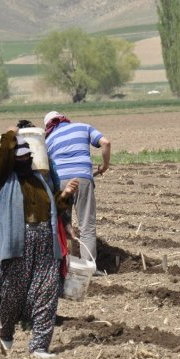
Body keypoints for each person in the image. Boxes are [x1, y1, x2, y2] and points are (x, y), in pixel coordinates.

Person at [0, 129, 79, 358]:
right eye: (20, 157)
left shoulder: (41, 180)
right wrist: (10, 135)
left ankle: (39, 346)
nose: (25, 160)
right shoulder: (4, 179)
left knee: (47, 290)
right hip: (19, 242)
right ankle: (6, 334)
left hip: (46, 241)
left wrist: (65, 195)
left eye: (28, 156)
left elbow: (54, 207)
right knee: (11, 293)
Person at [43, 111, 111, 267]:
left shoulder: (48, 140)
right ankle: (88, 267)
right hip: (83, 179)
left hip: (60, 182)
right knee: (86, 225)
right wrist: (105, 166)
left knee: (63, 223)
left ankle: (67, 266)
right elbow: (106, 142)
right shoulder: (83, 127)